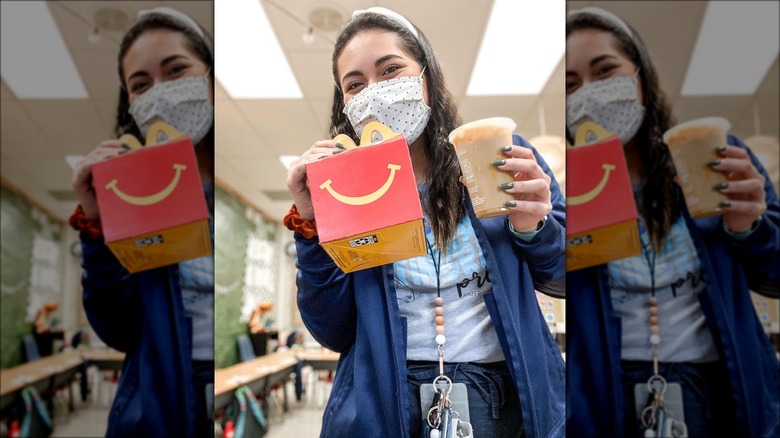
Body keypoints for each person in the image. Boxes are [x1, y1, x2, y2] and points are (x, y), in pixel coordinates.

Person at [284, 7, 566, 438]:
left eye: (391, 69)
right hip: (384, 404)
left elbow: (567, 277)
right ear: (346, 103)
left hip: (506, 402)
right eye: (355, 84)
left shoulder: (496, 154)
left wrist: (534, 228)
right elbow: (333, 329)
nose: (374, 92)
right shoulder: (347, 188)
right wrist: (312, 225)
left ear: (426, 79)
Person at [564, 7, 780, 438]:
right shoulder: (570, 186)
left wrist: (749, 229)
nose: (588, 94)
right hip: (611, 394)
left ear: (641, 77)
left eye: (605, 70)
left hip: (721, 390)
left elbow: (774, 275)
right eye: (571, 85)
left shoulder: (711, 157)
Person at [68, 7, 215, 438]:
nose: (160, 92)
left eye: (176, 70)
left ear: (208, 76)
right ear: (130, 102)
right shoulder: (132, 195)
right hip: (160, 400)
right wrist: (96, 221)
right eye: (141, 84)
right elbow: (117, 326)